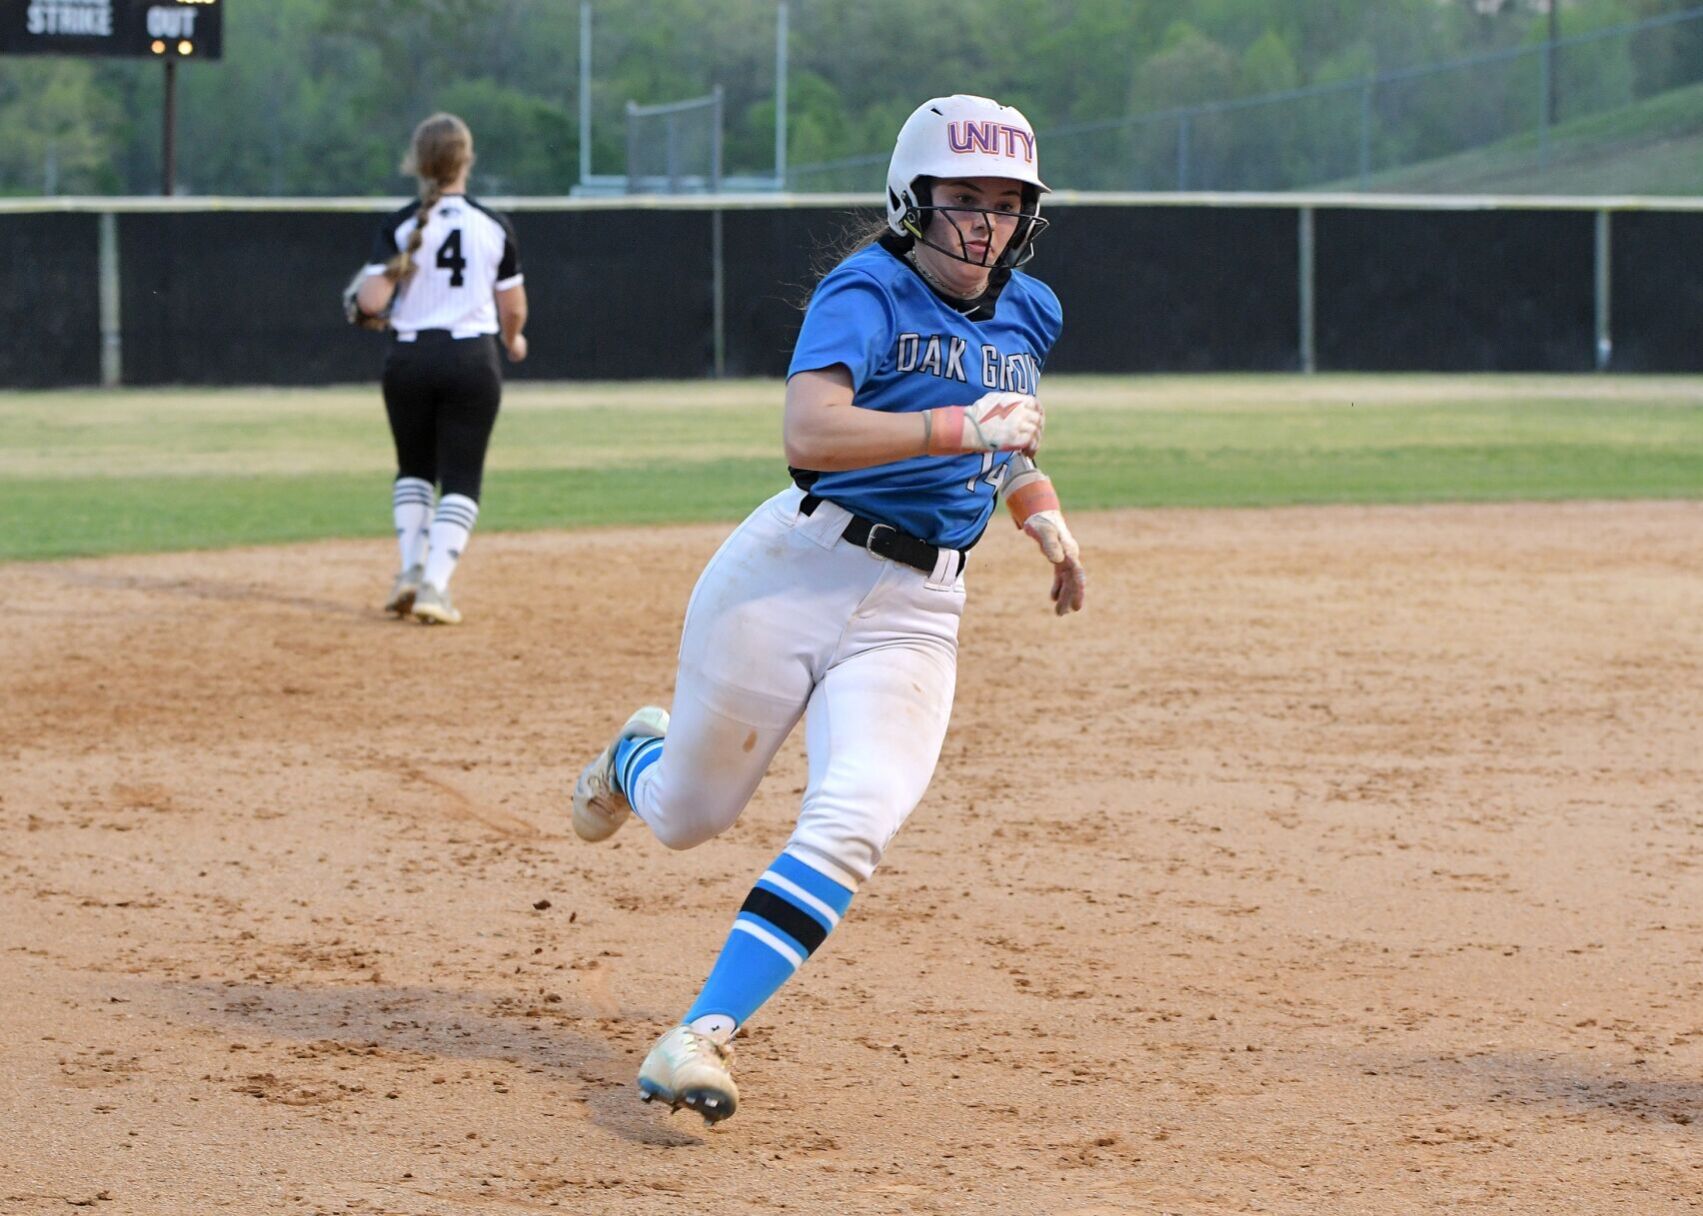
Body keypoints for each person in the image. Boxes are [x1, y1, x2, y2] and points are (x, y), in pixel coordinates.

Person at [570, 94, 1088, 1124]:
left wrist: (1039, 510)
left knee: (856, 815)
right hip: (793, 569)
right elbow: (811, 433)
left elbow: (1007, 433)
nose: (984, 223)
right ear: (911, 200)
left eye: (1004, 203)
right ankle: (637, 755)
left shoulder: (1031, 309)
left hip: (918, 605)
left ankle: (699, 1034)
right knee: (686, 816)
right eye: (962, 200)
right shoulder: (866, 286)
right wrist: (951, 426)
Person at [347, 112, 528, 626]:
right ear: (466, 161)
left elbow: (370, 300)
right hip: (472, 359)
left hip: (408, 359)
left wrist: (367, 304)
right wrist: (513, 340)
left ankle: (409, 570)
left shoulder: (401, 225)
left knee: (414, 468)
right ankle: (435, 587)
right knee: (462, 477)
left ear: (417, 163)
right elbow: (513, 306)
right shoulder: (492, 224)